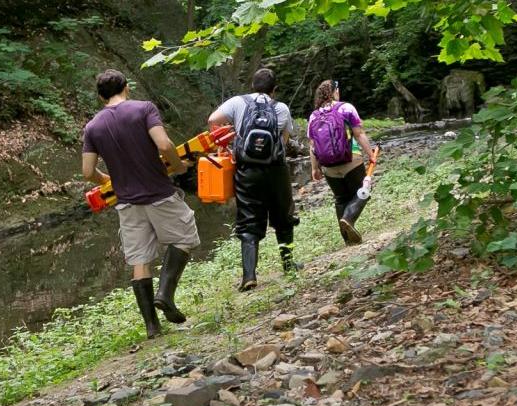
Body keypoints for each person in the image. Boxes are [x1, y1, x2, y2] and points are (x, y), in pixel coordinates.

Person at [81, 69, 199, 338]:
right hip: (159, 192)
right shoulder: (144, 109)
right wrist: (179, 167)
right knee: (184, 237)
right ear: (127, 87)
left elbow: (88, 172)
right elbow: (164, 144)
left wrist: (105, 178)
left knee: (139, 259)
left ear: (101, 97)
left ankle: (152, 327)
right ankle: (165, 294)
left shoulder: (93, 127)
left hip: (126, 203)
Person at [208, 68, 301, 292]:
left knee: (248, 219)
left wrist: (229, 142)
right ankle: (288, 265)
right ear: (274, 89)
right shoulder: (281, 108)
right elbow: (285, 140)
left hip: (247, 171)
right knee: (283, 216)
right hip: (275, 170)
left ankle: (249, 275)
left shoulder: (238, 103)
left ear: (252, 86)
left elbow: (212, 119)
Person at [305, 79, 379, 246]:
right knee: (363, 192)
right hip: (350, 159)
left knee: (340, 199)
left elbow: (312, 146)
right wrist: (371, 154)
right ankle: (349, 218)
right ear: (335, 92)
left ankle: (348, 239)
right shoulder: (346, 108)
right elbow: (359, 134)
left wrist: (314, 168)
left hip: (328, 166)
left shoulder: (313, 116)